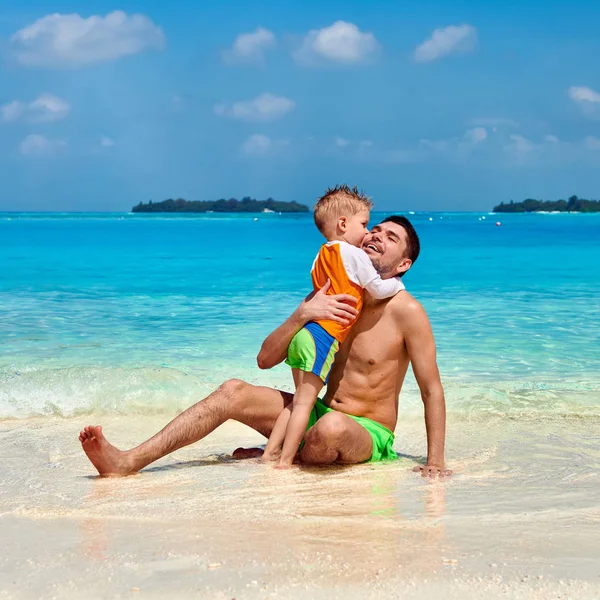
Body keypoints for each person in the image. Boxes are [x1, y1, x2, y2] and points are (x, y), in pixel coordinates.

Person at [79, 193, 450, 478]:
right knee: (232, 391)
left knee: (331, 426)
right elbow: (266, 359)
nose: (376, 235)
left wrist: (435, 463)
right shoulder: (330, 292)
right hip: (315, 414)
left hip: (365, 431)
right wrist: (303, 313)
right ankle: (128, 461)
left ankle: (275, 450)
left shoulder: (406, 311)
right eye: (376, 229)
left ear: (404, 264)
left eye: (391, 237)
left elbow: (431, 388)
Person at [263, 186, 405, 467]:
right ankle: (285, 461)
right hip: (324, 336)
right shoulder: (353, 255)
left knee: (298, 402)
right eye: (364, 224)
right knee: (305, 404)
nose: (366, 233)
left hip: (304, 334)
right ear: (343, 224)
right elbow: (376, 287)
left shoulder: (320, 257)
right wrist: (398, 283)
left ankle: (269, 454)